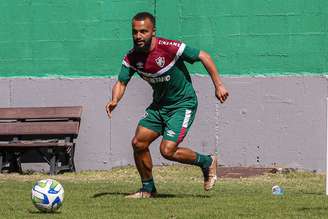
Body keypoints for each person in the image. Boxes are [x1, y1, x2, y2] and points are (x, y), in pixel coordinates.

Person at [105, 12, 229, 198]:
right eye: (135, 32)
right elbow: (121, 82)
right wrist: (115, 100)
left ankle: (207, 161)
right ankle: (148, 189)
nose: (138, 36)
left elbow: (203, 56)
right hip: (159, 107)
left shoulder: (170, 48)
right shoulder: (132, 58)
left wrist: (218, 85)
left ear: (153, 31)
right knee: (138, 143)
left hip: (182, 104)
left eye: (143, 32)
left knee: (167, 150)